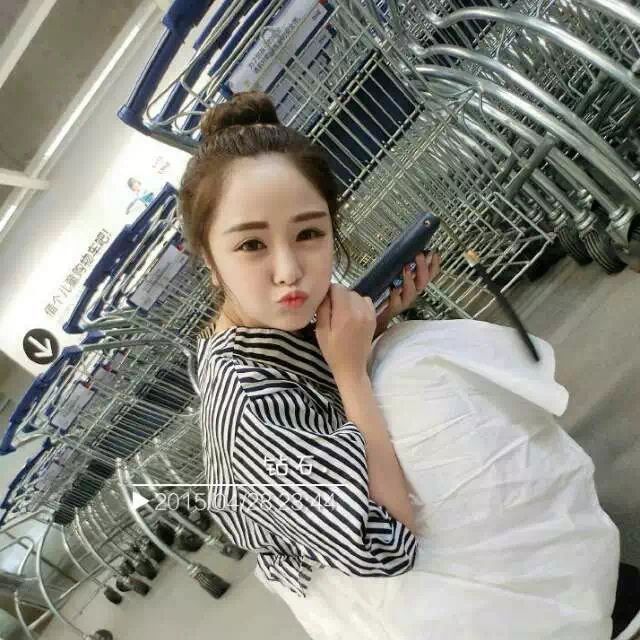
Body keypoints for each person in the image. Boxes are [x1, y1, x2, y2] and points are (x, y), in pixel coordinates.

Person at [179, 91, 619, 639]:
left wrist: (375, 324)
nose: (288, 270)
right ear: (207, 256)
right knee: (416, 370)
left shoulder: (262, 328)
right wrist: (349, 370)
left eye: (309, 233)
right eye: (251, 245)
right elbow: (382, 546)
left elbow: (316, 396)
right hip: (375, 594)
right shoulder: (243, 401)